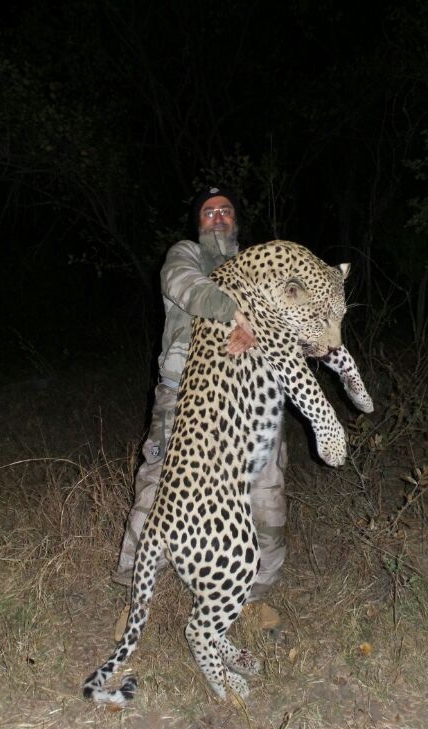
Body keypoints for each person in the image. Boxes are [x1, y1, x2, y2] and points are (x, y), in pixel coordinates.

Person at [112, 185, 287, 636]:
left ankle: (254, 595)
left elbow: (293, 317)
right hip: (184, 395)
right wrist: (244, 315)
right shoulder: (184, 254)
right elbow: (187, 288)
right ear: (198, 222)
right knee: (158, 490)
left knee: (264, 488)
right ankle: (136, 592)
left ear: (236, 219)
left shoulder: (260, 263)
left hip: (250, 396)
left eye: (226, 210)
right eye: (209, 212)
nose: (218, 217)